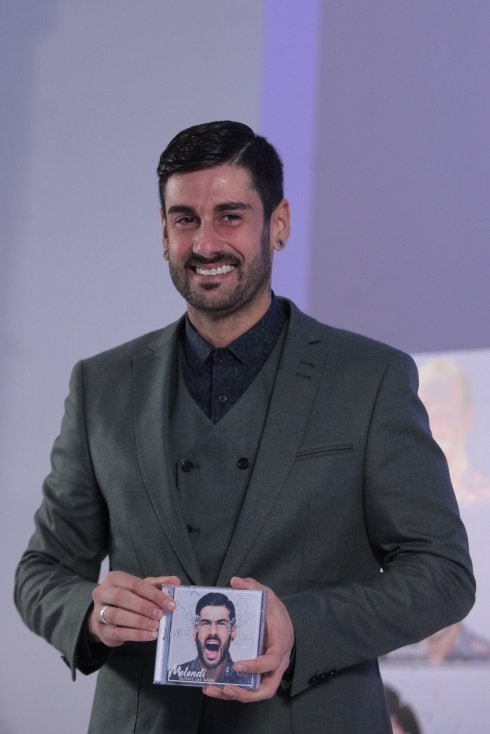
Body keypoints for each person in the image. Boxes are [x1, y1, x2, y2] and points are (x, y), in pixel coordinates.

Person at [15, 120, 475, 733]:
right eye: (185, 219)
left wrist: (302, 625)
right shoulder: (101, 386)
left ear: (278, 223)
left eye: (230, 216)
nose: (205, 243)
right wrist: (92, 612)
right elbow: (41, 571)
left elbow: (443, 574)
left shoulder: (369, 379)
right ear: (164, 233)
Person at [168, 591, 251, 685]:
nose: (213, 632)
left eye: (221, 623)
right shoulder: (173, 677)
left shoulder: (247, 682)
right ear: (195, 630)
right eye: (206, 623)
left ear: (232, 631)